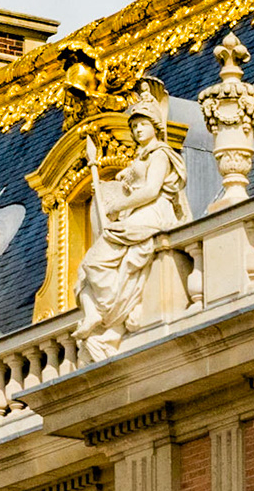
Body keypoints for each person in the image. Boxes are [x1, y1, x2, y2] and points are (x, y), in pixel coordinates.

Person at [75, 79, 188, 360]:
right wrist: (122, 182)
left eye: (142, 124)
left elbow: (151, 190)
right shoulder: (142, 156)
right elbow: (139, 185)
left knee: (95, 261)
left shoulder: (161, 154)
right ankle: (98, 315)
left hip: (153, 212)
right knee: (86, 268)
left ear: (155, 126)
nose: (137, 129)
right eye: (134, 125)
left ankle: (110, 310)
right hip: (138, 212)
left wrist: (118, 205)